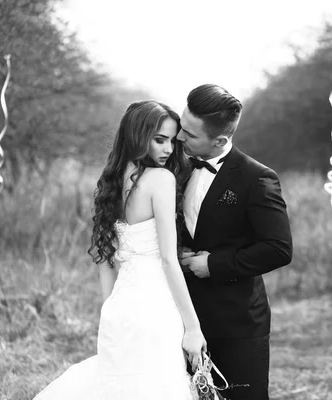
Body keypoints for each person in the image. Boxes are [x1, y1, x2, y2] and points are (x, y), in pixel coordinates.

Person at [32, 100, 206, 400]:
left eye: (170, 141)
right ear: (138, 136)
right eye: (159, 140)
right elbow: (167, 259)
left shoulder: (111, 181)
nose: (167, 149)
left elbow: (105, 258)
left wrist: (108, 308)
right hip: (155, 305)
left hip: (119, 306)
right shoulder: (161, 179)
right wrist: (193, 327)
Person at [178, 84, 293, 400]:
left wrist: (212, 264)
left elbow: (278, 248)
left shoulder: (257, 178)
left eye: (189, 134)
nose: (179, 138)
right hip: (180, 314)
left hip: (237, 321)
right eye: (181, 127)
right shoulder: (175, 165)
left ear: (219, 141)